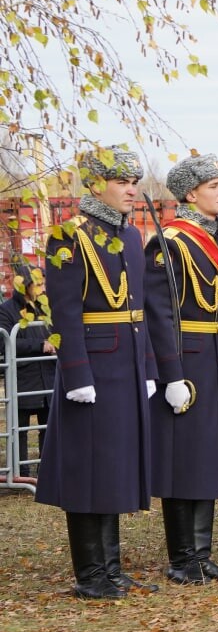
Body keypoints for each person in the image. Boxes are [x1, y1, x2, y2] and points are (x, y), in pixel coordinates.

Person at [35, 146, 157, 599]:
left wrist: (146, 366)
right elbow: (64, 312)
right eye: (122, 181)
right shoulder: (69, 235)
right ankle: (90, 574)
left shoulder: (128, 236)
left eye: (134, 181)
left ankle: (110, 567)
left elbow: (138, 309)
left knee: (113, 467)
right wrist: (77, 373)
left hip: (125, 361)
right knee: (89, 468)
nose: (132, 190)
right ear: (95, 185)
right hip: (91, 362)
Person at [146, 154, 218, 584]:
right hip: (187, 357)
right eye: (214, 186)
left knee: (209, 456)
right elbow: (159, 312)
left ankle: (202, 553)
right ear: (191, 194)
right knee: (184, 458)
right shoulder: (169, 242)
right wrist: (170, 374)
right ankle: (182, 557)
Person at [0, 265, 56, 478]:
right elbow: (4, 341)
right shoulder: (7, 310)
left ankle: (47, 471)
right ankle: (19, 471)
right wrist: (40, 345)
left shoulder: (46, 307)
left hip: (47, 375)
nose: (43, 288)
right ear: (25, 286)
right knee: (18, 428)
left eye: (43, 283)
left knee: (48, 426)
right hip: (22, 378)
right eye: (38, 284)